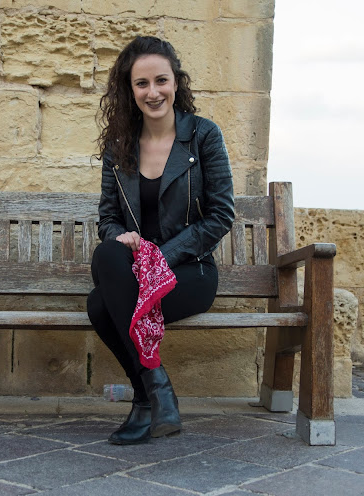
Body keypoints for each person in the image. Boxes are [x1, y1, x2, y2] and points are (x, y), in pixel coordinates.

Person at [88, 36, 235, 445]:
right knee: (107, 258)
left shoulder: (203, 136)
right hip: (134, 272)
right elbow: (108, 218)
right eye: (142, 83)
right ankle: (156, 392)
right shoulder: (119, 146)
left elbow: (221, 215)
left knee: (101, 306)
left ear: (175, 82)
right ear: (129, 89)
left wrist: (159, 257)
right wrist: (123, 237)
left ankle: (146, 400)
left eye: (161, 81)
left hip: (189, 272)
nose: (153, 92)